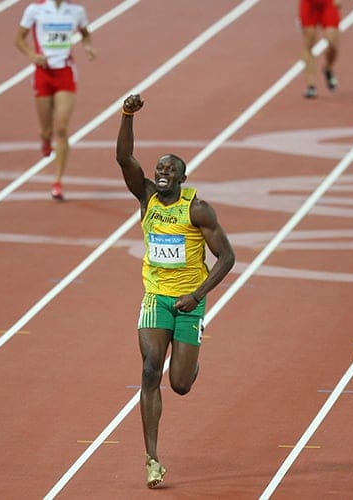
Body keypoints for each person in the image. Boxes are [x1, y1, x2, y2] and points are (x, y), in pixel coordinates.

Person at [116, 94, 235, 488]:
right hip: (155, 298)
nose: (162, 171)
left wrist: (197, 296)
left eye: (171, 169)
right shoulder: (147, 196)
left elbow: (227, 258)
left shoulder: (197, 209)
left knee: (180, 384)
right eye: (160, 167)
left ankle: (191, 355)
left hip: (189, 302)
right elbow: (124, 159)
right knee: (150, 368)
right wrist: (127, 115)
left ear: (182, 178)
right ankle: (152, 459)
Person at [15, 0, 96, 200]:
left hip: (65, 73)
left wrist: (88, 47)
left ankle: (57, 181)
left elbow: (85, 34)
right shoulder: (35, 10)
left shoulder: (76, 11)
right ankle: (44, 139)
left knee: (61, 128)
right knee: (47, 130)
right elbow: (19, 39)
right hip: (43, 74)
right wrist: (33, 55)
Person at [299, 0, 342, 98]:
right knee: (308, 42)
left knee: (332, 42)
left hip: (328, 3)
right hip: (309, 4)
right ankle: (311, 86)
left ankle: (328, 67)